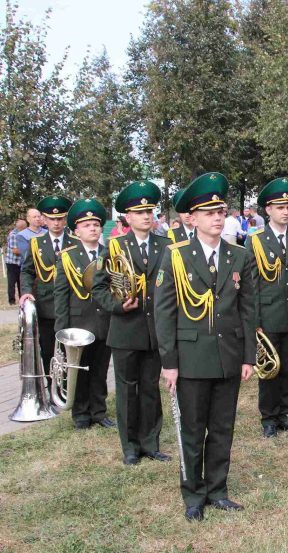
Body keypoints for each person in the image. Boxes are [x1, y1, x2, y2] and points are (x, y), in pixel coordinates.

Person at [155, 172, 256, 522]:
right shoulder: (176, 256)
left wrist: (248, 356)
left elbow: (248, 309)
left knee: (223, 427)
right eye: (209, 212)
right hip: (191, 357)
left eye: (221, 212)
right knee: (193, 429)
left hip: (229, 356)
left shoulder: (239, 255)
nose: (217, 218)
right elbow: (165, 314)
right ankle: (194, 494)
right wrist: (169, 362)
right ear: (192, 218)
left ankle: (218, 490)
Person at [93, 181, 171, 465]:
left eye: (149, 211)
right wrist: (117, 306)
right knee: (127, 390)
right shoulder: (114, 246)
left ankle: (150, 443)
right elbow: (98, 286)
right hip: (126, 330)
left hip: (154, 331)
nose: (146, 216)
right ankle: (130, 447)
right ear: (127, 217)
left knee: (150, 388)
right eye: (139, 212)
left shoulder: (166, 245)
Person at [247, 177, 288, 439]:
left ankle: (283, 413)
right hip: (267, 315)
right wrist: (255, 320)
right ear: (268, 210)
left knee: (287, 368)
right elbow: (251, 285)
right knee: (269, 369)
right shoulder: (256, 240)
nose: (286, 211)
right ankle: (268, 418)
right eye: (280, 207)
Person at [54, 199, 114, 430]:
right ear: (76, 231)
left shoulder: (110, 254)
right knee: (79, 370)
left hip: (104, 321)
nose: (93, 229)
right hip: (79, 323)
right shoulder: (67, 257)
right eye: (87, 225)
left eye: (96, 225)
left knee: (100, 369)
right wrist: (61, 329)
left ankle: (99, 411)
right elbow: (61, 295)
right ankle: (80, 413)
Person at [20, 196, 76, 390]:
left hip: (71, 305)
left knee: (70, 349)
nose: (56, 222)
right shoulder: (36, 243)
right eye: (52, 219)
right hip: (46, 306)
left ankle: (70, 388)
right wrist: (26, 292)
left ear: (65, 219)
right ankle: (53, 387)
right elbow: (27, 271)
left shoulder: (75, 242)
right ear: (44, 219)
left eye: (60, 218)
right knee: (48, 349)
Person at [5, 218, 27, 304]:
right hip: (12, 263)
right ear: (21, 228)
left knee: (21, 282)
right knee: (12, 282)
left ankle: (22, 299)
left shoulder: (22, 234)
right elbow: (15, 251)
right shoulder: (14, 235)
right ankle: (12, 300)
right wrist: (28, 251)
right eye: (25, 227)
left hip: (20, 262)